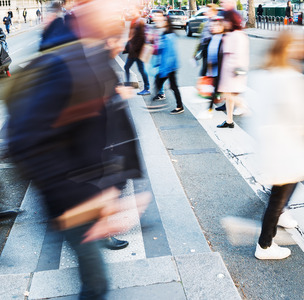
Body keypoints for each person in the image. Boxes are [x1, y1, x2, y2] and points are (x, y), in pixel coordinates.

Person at [5, 0, 146, 297]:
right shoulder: (65, 64)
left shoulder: (92, 56)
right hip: (72, 200)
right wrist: (82, 202)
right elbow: (25, 142)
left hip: (86, 192)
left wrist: (111, 190)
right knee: (96, 284)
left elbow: (103, 127)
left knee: (95, 282)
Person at [251, 31, 304, 260]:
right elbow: (301, 115)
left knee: (280, 192)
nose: (302, 47)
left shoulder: (266, 73)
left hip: (274, 145)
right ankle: (264, 245)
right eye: (297, 44)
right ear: (286, 49)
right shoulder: (290, 77)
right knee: (279, 196)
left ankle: (276, 221)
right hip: (287, 147)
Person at [216, 10, 249, 128]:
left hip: (234, 71)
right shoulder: (231, 34)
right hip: (229, 71)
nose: (223, 22)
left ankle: (245, 108)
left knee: (230, 95)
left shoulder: (237, 35)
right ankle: (229, 120)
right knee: (230, 97)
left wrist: (236, 73)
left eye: (226, 20)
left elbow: (239, 56)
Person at [153, 12, 184, 114]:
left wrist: (165, 69)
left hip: (169, 67)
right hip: (168, 66)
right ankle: (178, 105)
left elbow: (169, 54)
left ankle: (179, 106)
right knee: (163, 83)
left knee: (170, 85)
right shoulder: (166, 33)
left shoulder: (169, 35)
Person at [124, 14, 151, 96]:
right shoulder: (133, 21)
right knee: (127, 67)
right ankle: (128, 86)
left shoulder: (140, 22)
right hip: (133, 52)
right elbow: (132, 36)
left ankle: (147, 88)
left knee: (141, 69)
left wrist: (134, 48)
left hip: (137, 52)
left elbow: (142, 37)